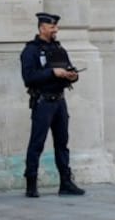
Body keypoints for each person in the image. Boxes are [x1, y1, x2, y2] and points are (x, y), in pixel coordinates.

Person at [21, 12, 85, 198]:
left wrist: (72, 75)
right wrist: (52, 73)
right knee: (37, 143)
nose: (55, 30)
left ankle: (65, 182)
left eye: (56, 27)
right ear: (42, 28)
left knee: (62, 144)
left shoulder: (59, 48)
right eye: (52, 27)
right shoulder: (30, 51)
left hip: (59, 101)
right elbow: (28, 77)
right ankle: (31, 184)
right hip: (43, 102)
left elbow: (69, 68)